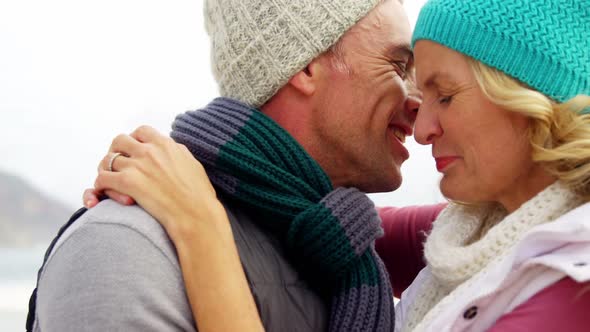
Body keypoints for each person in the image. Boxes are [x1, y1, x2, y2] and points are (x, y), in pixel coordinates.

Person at [86, 0, 590, 331]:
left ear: (532, 101)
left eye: (446, 94)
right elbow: (314, 216)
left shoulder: (570, 290)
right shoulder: (476, 228)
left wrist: (200, 227)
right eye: (402, 69)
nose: (421, 123)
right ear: (303, 66)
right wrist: (173, 169)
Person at [29, 0, 445, 331]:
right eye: (397, 65)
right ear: (304, 65)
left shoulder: (337, 242)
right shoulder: (123, 248)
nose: (418, 102)